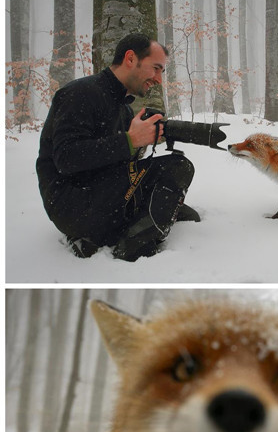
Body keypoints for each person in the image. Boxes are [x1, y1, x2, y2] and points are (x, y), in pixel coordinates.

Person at [36, 33, 199, 262]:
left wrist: (140, 142)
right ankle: (133, 247)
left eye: (162, 71)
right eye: (156, 68)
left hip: (100, 193)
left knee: (168, 180)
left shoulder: (123, 108)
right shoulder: (80, 93)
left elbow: (114, 161)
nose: (159, 79)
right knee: (178, 167)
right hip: (73, 205)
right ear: (130, 59)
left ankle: (140, 217)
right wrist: (129, 141)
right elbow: (66, 159)